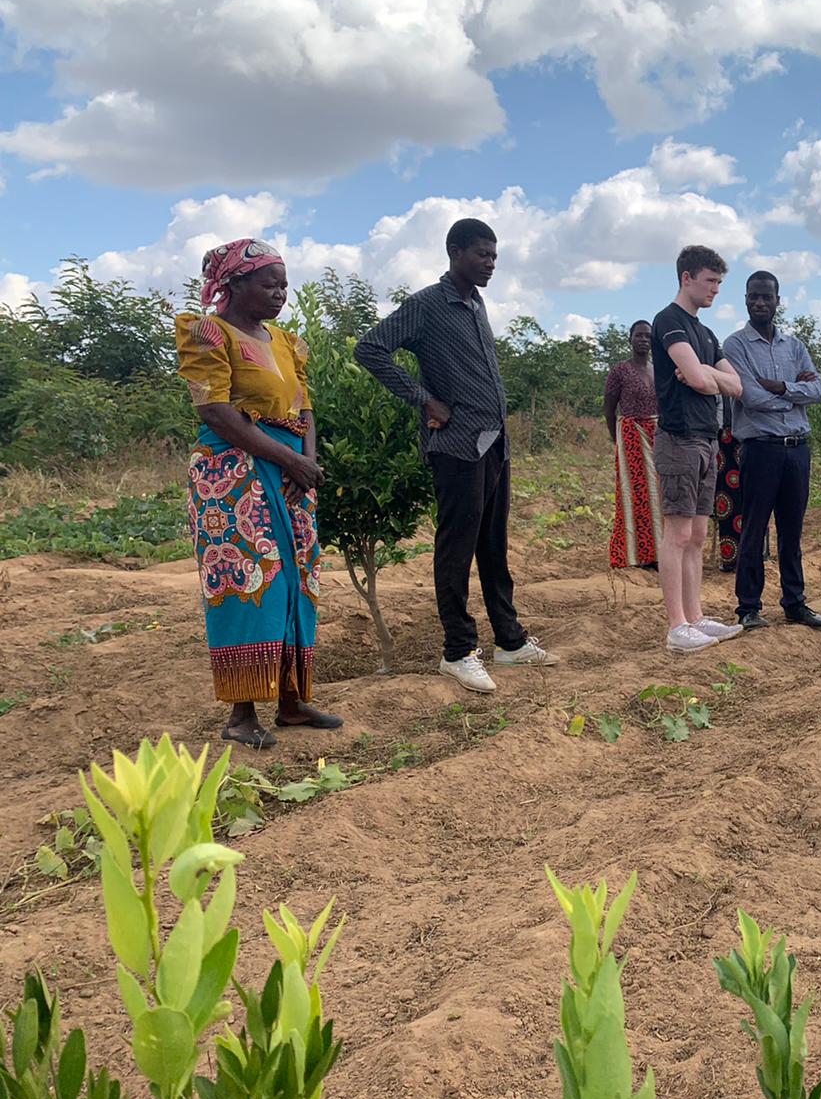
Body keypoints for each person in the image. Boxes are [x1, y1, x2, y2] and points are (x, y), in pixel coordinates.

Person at [356, 218, 557, 693]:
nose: (489, 263)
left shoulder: (475, 303)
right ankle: (458, 651)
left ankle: (509, 641)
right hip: (457, 446)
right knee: (456, 549)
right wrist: (423, 399)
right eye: (481, 254)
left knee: (492, 547)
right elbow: (371, 349)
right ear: (454, 251)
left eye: (494, 256)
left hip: (494, 444)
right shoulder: (428, 303)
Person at [177, 238, 341, 749]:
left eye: (284, 285)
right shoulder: (209, 332)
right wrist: (288, 457)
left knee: (297, 583)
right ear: (235, 285)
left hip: (291, 475)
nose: (280, 294)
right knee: (249, 584)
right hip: (234, 476)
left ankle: (291, 702)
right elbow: (214, 411)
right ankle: (241, 715)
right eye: (269, 284)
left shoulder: (287, 342)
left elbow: (304, 407)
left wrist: (306, 460)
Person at [651, 245, 747, 653]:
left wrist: (704, 372)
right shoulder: (668, 321)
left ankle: (695, 616)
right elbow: (707, 383)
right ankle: (677, 626)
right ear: (686, 278)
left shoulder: (705, 334)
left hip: (708, 440)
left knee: (699, 534)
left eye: (720, 282)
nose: (716, 290)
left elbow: (736, 385)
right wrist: (706, 376)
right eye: (710, 281)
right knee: (678, 533)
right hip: (679, 439)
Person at [722, 271, 821, 631]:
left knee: (792, 531)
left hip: (797, 450)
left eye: (766, 297)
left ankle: (794, 603)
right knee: (753, 529)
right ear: (746, 299)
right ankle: (749, 607)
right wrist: (792, 394)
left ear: (778, 301)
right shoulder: (735, 346)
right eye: (753, 297)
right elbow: (750, 398)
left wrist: (779, 387)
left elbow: (818, 391)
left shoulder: (794, 346)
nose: (760, 303)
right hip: (761, 450)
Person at [604, 319, 662, 570]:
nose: (643, 340)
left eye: (648, 336)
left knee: (658, 495)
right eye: (638, 335)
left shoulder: (657, 369)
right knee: (634, 495)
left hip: (658, 435)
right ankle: (634, 554)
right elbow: (608, 408)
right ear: (630, 339)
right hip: (630, 435)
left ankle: (658, 552)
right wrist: (616, 438)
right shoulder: (620, 370)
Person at [714, 395, 743, 573]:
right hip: (723, 436)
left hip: (751, 434)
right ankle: (730, 558)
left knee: (755, 497)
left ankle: (756, 554)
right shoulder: (715, 366)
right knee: (726, 500)